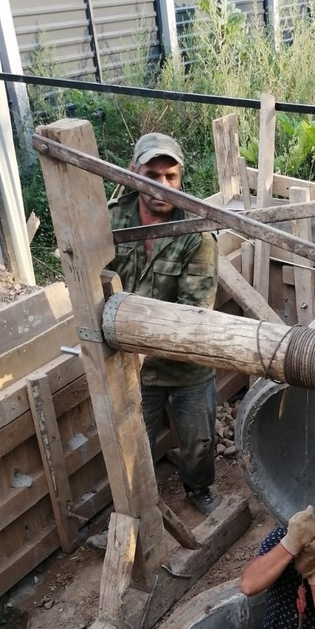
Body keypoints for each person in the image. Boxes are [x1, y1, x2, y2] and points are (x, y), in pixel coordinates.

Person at [109, 131, 220, 517]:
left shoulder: (197, 232)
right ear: (132, 172)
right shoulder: (109, 218)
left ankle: (198, 489)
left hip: (186, 362)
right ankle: (138, 504)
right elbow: (93, 279)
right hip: (130, 366)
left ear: (181, 177)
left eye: (171, 177)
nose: (162, 187)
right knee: (131, 440)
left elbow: (193, 313)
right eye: (152, 176)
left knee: (199, 441)